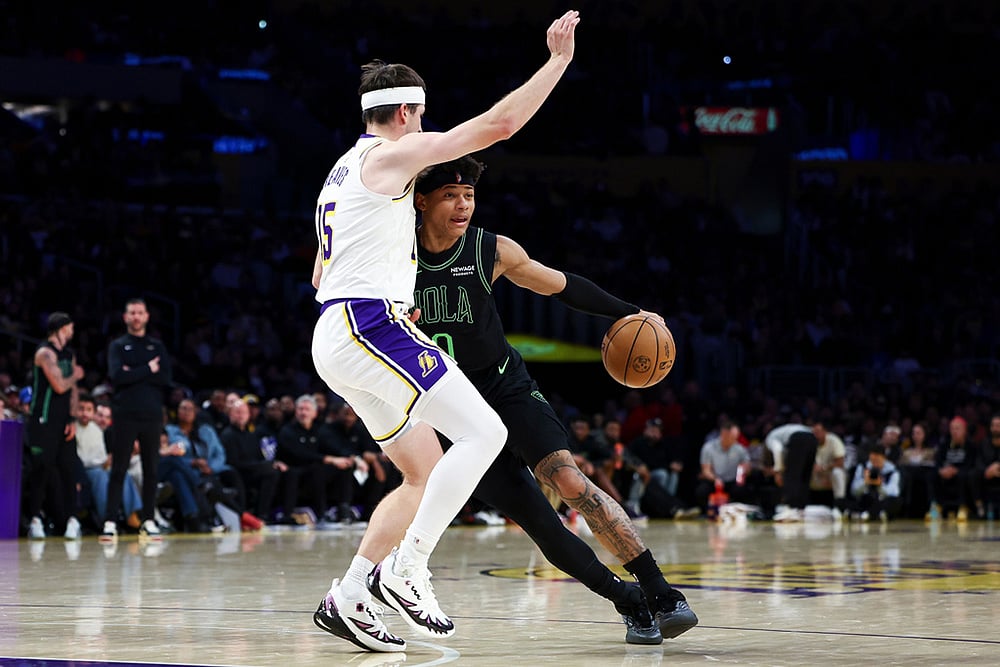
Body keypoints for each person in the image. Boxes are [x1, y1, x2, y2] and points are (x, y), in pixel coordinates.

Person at [310, 11, 581, 653]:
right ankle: (408, 569)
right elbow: (498, 126)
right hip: (369, 321)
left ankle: (349, 593)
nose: (427, 127)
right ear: (407, 113)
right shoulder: (392, 156)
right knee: (487, 430)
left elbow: (322, 266)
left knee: (423, 473)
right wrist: (557, 63)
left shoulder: (342, 170)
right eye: (424, 115)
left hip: (338, 328)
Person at [404, 155, 698, 642]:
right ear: (420, 201)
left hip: (504, 385)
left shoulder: (490, 250)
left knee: (568, 480)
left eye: (469, 196)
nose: (463, 206)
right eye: (451, 196)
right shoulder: (395, 256)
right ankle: (628, 601)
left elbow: (561, 285)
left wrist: (631, 311)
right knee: (542, 526)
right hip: (450, 411)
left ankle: (662, 591)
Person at [104, 298, 171, 542]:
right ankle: (110, 520)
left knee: (152, 469)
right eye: (131, 312)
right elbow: (117, 377)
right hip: (124, 415)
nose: (136, 316)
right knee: (119, 468)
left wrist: (134, 372)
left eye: (140, 312)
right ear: (125, 317)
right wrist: (146, 370)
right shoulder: (118, 346)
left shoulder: (157, 347)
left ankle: (148, 519)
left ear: (146, 316)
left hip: (152, 415)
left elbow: (164, 378)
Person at [23, 312, 86, 539]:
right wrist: (76, 375)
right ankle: (35, 519)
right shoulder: (44, 353)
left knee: (69, 469)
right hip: (43, 419)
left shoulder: (69, 354)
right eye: (70, 327)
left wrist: (72, 418)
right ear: (60, 328)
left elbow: (73, 392)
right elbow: (60, 385)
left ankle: (71, 519)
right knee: (42, 469)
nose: (72, 331)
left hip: (63, 422)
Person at [75, 393, 143, 531]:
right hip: (84, 469)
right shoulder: (72, 427)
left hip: (99, 466)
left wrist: (107, 461)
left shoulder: (96, 430)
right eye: (81, 409)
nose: (85, 414)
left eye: (88, 410)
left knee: (120, 474)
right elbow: (77, 457)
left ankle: (132, 514)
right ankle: (105, 518)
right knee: (100, 476)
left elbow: (101, 455)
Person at [848, 446, 902, 521]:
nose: (874, 464)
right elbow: (854, 491)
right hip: (866, 498)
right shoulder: (862, 467)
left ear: (884, 458)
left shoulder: (892, 471)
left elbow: (894, 493)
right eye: (872, 460)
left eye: (877, 460)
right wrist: (865, 482)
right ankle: (874, 514)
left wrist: (880, 485)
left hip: (882, 499)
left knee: (895, 502)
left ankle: (869, 514)